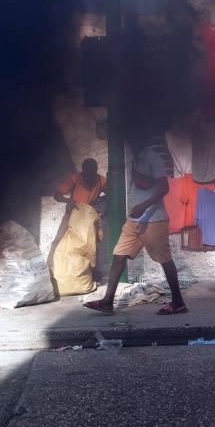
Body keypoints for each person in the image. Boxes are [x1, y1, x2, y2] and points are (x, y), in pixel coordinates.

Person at [84, 132, 188, 315]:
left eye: (133, 139)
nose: (130, 143)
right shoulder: (135, 157)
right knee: (119, 256)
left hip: (154, 220)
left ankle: (178, 302)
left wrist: (143, 205)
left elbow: (164, 187)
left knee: (164, 260)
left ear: (141, 139)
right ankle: (107, 302)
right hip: (134, 221)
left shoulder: (153, 158)